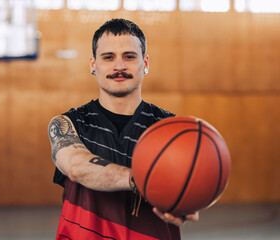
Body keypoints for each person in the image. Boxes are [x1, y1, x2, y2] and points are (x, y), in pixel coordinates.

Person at [48, 18, 199, 240]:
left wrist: (185, 199)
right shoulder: (68, 124)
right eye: (108, 57)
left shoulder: (170, 130)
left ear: (145, 63)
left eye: (129, 56)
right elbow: (76, 166)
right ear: (93, 64)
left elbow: (186, 188)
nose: (119, 66)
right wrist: (143, 181)